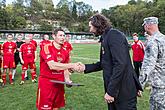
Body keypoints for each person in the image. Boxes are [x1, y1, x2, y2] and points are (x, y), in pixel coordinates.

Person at [76, 14, 142, 110]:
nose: (90, 30)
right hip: (117, 90)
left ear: (97, 24)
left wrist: (111, 91)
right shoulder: (106, 37)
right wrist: (84, 67)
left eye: (90, 26)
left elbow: (120, 64)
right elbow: (104, 63)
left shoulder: (113, 35)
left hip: (123, 90)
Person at [36, 28, 79, 110]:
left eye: (64, 36)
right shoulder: (46, 47)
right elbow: (52, 65)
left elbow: (65, 68)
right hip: (47, 83)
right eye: (60, 35)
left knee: (56, 107)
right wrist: (72, 65)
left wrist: (67, 80)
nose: (63, 38)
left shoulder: (65, 51)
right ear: (53, 36)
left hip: (59, 83)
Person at [139, 17, 165, 110]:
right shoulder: (163, 39)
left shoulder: (153, 41)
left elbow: (148, 66)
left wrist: (140, 85)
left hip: (159, 86)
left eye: (144, 25)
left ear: (147, 26)